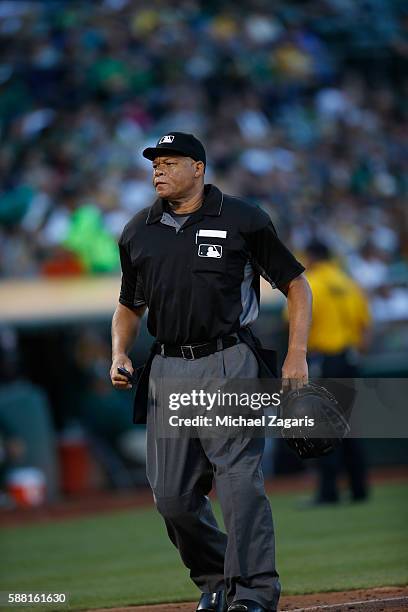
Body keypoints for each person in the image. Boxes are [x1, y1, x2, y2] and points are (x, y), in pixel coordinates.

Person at [110, 132, 312, 612]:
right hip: (167, 367)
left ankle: (255, 593)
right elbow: (127, 306)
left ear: (198, 168)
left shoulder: (243, 218)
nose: (158, 169)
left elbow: (297, 284)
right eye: (154, 163)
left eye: (169, 161)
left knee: (239, 482)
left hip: (229, 361)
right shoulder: (139, 230)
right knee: (173, 498)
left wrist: (297, 353)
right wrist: (119, 351)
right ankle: (218, 579)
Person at [304, 239, 371, 504]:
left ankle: (328, 492)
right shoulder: (348, 282)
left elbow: (299, 321)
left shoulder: (312, 282)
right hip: (350, 358)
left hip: (325, 359)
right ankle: (359, 488)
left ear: (312, 256)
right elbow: (365, 326)